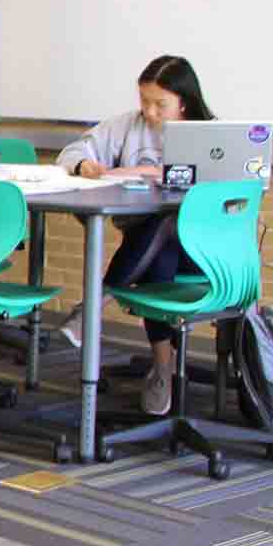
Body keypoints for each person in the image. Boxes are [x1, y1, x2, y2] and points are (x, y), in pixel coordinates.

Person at [54, 54, 216, 415]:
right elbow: (72, 151)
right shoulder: (127, 125)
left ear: (183, 103)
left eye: (161, 104)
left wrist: (154, 172)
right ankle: (162, 368)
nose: (151, 112)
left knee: (170, 225)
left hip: (203, 252)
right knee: (160, 249)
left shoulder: (210, 136)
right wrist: (83, 164)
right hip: (153, 247)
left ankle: (96, 307)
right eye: (145, 101)